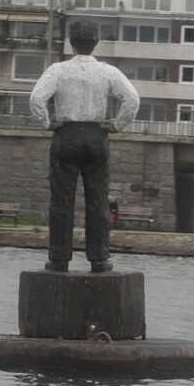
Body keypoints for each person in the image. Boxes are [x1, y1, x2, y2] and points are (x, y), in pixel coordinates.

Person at [29, 22, 140, 272]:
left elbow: (36, 98)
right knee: (98, 199)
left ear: (72, 43)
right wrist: (116, 125)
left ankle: (58, 258)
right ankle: (99, 259)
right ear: (96, 43)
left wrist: (47, 123)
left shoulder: (58, 70)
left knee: (61, 201)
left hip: (66, 134)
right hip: (96, 135)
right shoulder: (108, 71)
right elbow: (132, 99)